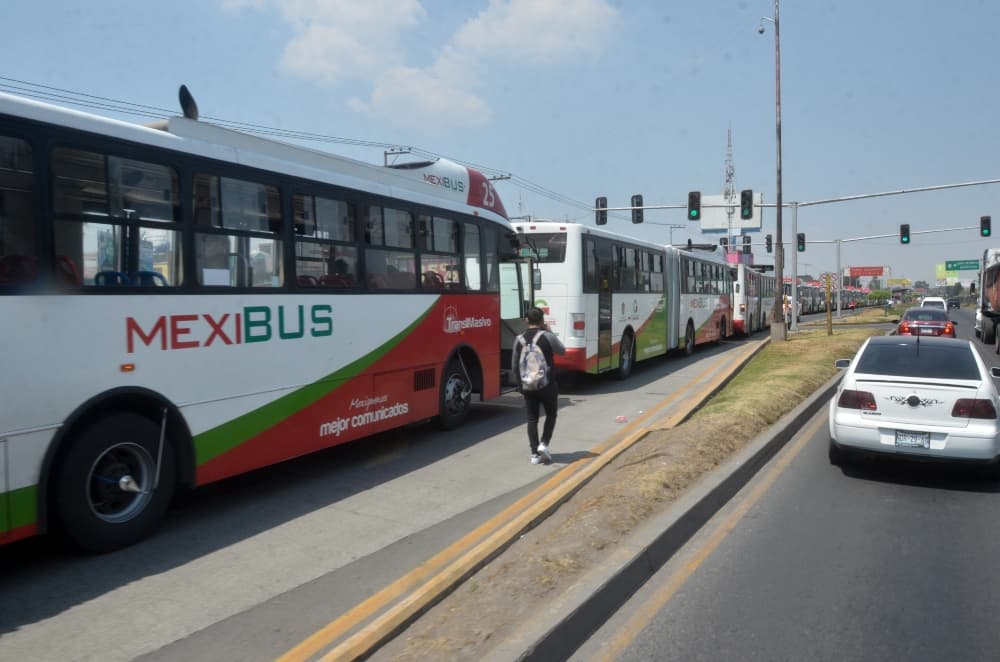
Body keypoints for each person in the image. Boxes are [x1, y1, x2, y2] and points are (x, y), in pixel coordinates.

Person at [512, 307, 565, 465]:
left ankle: (534, 454)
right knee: (551, 414)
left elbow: (515, 366)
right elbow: (562, 351)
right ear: (542, 321)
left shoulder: (519, 339)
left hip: (528, 385)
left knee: (532, 418)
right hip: (547, 385)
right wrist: (550, 331)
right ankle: (544, 443)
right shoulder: (547, 336)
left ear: (526, 321)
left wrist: (520, 386)